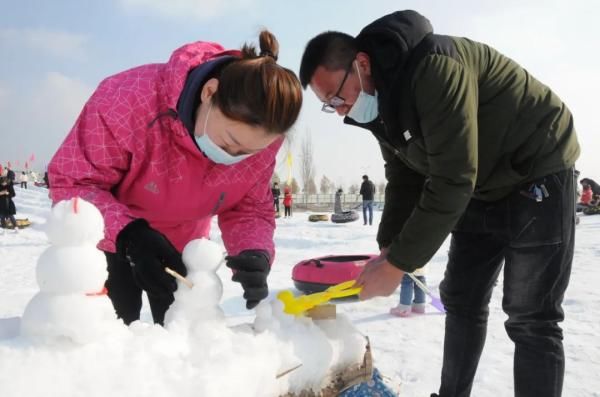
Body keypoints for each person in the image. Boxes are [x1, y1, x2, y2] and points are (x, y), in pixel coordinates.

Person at [300, 10, 579, 397]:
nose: (340, 109)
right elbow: (404, 176)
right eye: (328, 105)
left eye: (337, 96)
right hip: (481, 184)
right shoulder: (381, 106)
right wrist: (390, 244)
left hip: (536, 169)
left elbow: (453, 177)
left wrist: (398, 264)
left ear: (361, 64)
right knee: (461, 300)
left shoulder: (435, 68)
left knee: (530, 315)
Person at [49, 30, 302, 325]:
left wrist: (254, 250)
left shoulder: (262, 143)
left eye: (248, 151)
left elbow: (249, 207)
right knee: (111, 328)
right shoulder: (126, 99)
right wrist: (128, 237)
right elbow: (75, 182)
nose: (233, 157)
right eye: (229, 141)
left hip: (184, 247)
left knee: (180, 331)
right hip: (116, 240)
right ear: (209, 93)